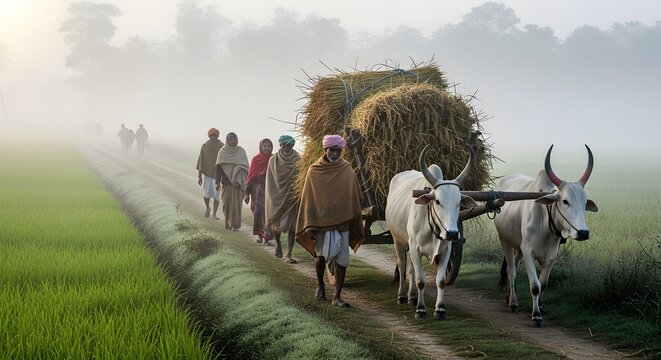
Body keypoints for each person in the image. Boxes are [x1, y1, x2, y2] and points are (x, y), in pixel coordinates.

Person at [295, 134, 364, 307]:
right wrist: (310, 224)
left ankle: (337, 296)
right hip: (321, 223)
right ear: (325, 149)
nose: (334, 153)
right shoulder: (314, 170)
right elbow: (309, 199)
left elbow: (354, 195)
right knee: (320, 257)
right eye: (331, 150)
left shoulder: (347, 169)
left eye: (338, 150)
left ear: (341, 151)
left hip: (343, 223)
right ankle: (320, 285)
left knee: (343, 260)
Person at [265, 135, 300, 263]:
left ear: (293, 146)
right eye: (284, 145)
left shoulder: (298, 159)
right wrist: (272, 196)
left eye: (289, 145)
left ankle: (289, 254)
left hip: (291, 197)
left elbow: (299, 178)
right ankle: (278, 244)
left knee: (292, 227)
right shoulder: (273, 160)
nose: (286, 147)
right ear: (280, 145)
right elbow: (270, 182)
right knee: (276, 225)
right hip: (276, 197)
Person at [215, 132, 249, 231]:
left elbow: (246, 167)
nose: (232, 141)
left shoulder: (241, 151)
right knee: (226, 204)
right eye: (230, 139)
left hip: (238, 184)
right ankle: (226, 222)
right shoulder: (222, 152)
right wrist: (217, 182)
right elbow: (218, 167)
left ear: (237, 140)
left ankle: (235, 225)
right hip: (226, 183)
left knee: (237, 206)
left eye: (234, 139)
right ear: (227, 140)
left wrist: (238, 169)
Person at [245, 138, 274, 245]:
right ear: (260, 147)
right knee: (258, 213)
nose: (266, 148)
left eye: (269, 146)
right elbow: (250, 177)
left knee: (268, 214)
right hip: (256, 191)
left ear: (272, 148)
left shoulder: (273, 159)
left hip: (270, 191)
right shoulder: (256, 159)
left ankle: (266, 238)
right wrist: (246, 194)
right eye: (264, 146)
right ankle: (260, 236)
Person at [196, 128, 224, 219]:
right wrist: (199, 176)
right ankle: (207, 208)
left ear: (217, 136)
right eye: (211, 135)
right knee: (206, 193)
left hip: (218, 175)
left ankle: (214, 214)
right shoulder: (204, 146)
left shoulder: (222, 146)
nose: (213, 137)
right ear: (209, 136)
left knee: (217, 195)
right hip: (207, 175)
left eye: (215, 135)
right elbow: (201, 161)